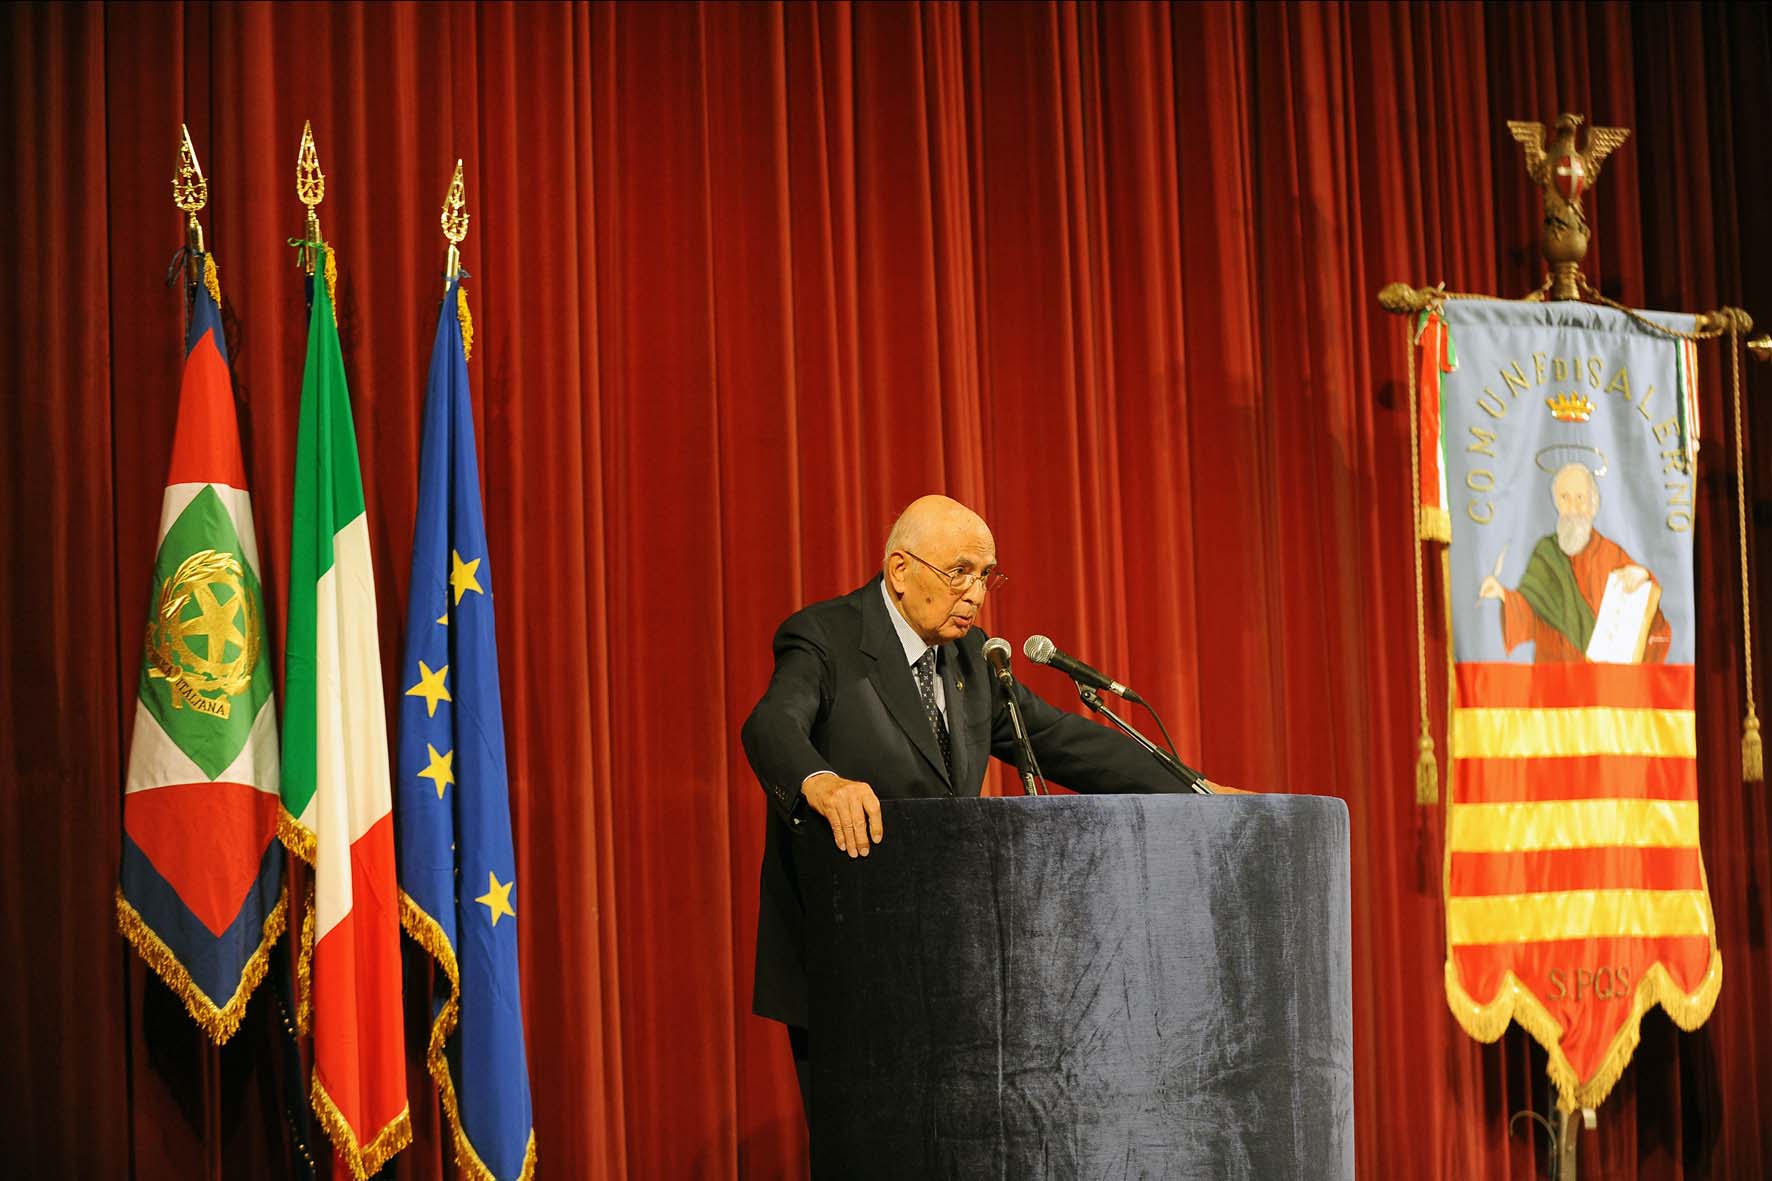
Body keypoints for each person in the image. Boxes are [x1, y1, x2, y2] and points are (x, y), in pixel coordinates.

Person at [740, 494, 1211, 1118]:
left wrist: (1193, 787)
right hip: (848, 953)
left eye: (986, 576)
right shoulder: (827, 636)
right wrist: (821, 781)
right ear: (901, 571)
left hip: (948, 959)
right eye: (958, 571)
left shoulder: (973, 656)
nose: (975, 592)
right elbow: (771, 725)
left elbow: (1059, 740)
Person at [1478, 462, 1670, 663]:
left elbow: (1649, 616)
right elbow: (1531, 614)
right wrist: (1503, 595)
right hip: (1556, 674)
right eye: (1565, 498)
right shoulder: (1546, 553)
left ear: (1593, 505)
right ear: (1556, 504)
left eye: (1580, 498)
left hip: (1603, 682)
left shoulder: (1612, 554)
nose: (1573, 508)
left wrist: (1643, 575)